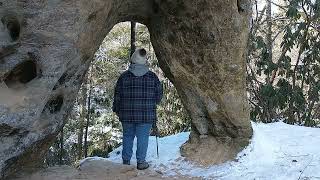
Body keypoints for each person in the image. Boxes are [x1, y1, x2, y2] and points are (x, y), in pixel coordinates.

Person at [112, 48, 163, 170]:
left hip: (127, 115)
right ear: (144, 62)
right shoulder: (152, 77)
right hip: (146, 115)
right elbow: (159, 95)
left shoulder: (124, 77)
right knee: (143, 138)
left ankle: (126, 161)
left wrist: (117, 109)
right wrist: (153, 103)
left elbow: (117, 95)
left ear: (133, 61)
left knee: (128, 136)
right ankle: (141, 162)